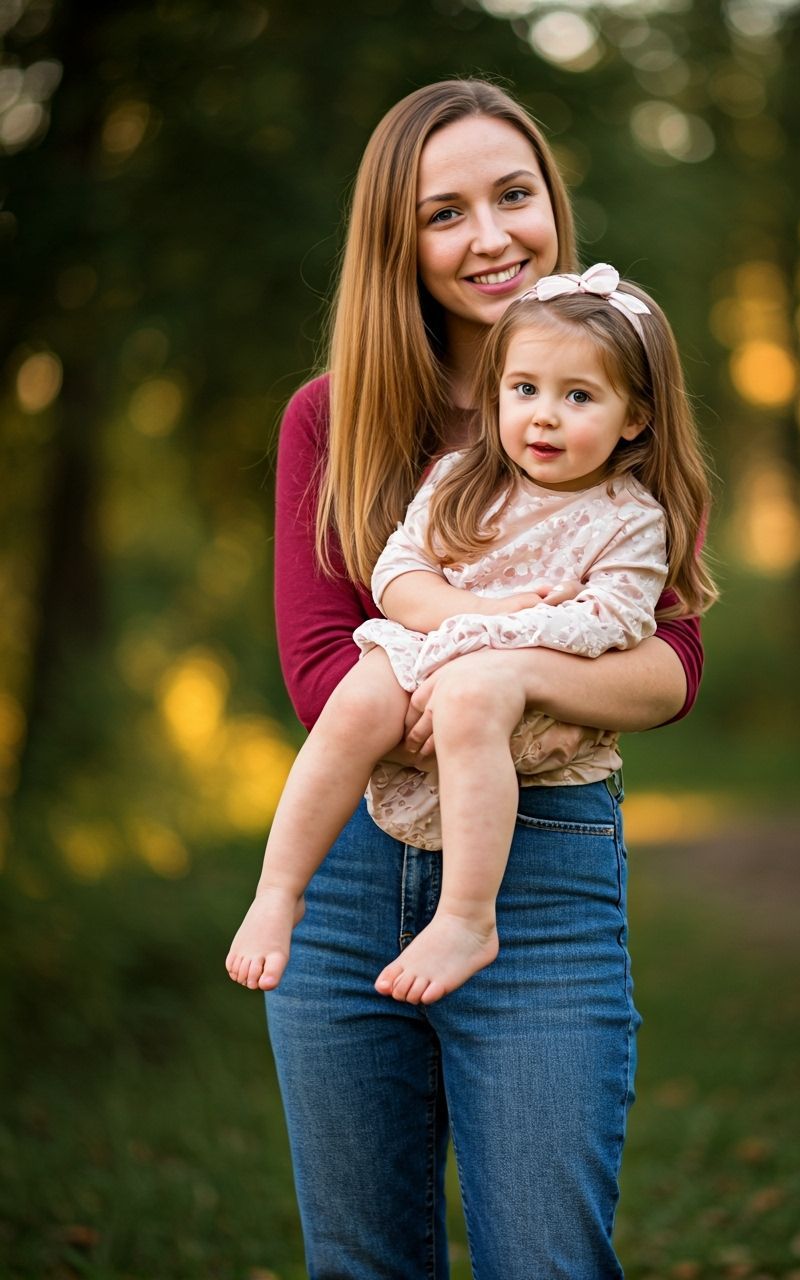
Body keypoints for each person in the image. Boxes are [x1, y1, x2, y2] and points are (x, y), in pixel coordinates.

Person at [256, 79, 708, 1279]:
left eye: (512, 195)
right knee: (361, 1261)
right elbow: (316, 674)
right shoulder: (332, 419)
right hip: (346, 874)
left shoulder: (612, 397)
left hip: (544, 865)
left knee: (547, 1259)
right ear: (395, 242)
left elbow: (667, 666)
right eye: (442, 212)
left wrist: (490, 680)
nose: (490, 235)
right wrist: (524, 661)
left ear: (551, 203)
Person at [226, 265, 715, 1008]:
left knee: (471, 701)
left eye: (578, 396)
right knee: (355, 702)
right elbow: (397, 577)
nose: (543, 417)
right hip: (433, 645)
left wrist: (500, 649)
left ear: (635, 417)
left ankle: (466, 916)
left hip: (514, 688)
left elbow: (617, 619)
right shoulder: (460, 477)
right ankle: (279, 890)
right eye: (524, 390)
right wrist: (480, 618)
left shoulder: (630, 518)